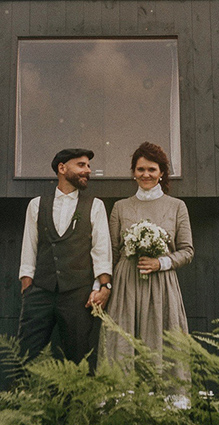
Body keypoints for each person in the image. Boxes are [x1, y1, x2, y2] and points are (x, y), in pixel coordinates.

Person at [17, 147, 112, 368]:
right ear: (62, 168)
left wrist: (104, 286)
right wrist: (27, 288)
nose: (88, 170)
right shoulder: (36, 205)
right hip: (40, 292)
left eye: (88, 166)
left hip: (78, 295)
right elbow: (29, 248)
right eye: (81, 165)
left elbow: (101, 250)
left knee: (79, 361)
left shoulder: (95, 206)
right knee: (25, 357)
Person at [104, 141, 193, 373]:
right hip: (126, 285)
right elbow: (112, 251)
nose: (146, 174)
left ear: (161, 173)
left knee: (162, 343)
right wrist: (105, 286)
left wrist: (160, 263)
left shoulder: (177, 206)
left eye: (152, 169)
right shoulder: (120, 207)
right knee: (123, 342)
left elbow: (187, 251)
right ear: (133, 172)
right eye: (140, 169)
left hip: (161, 284)